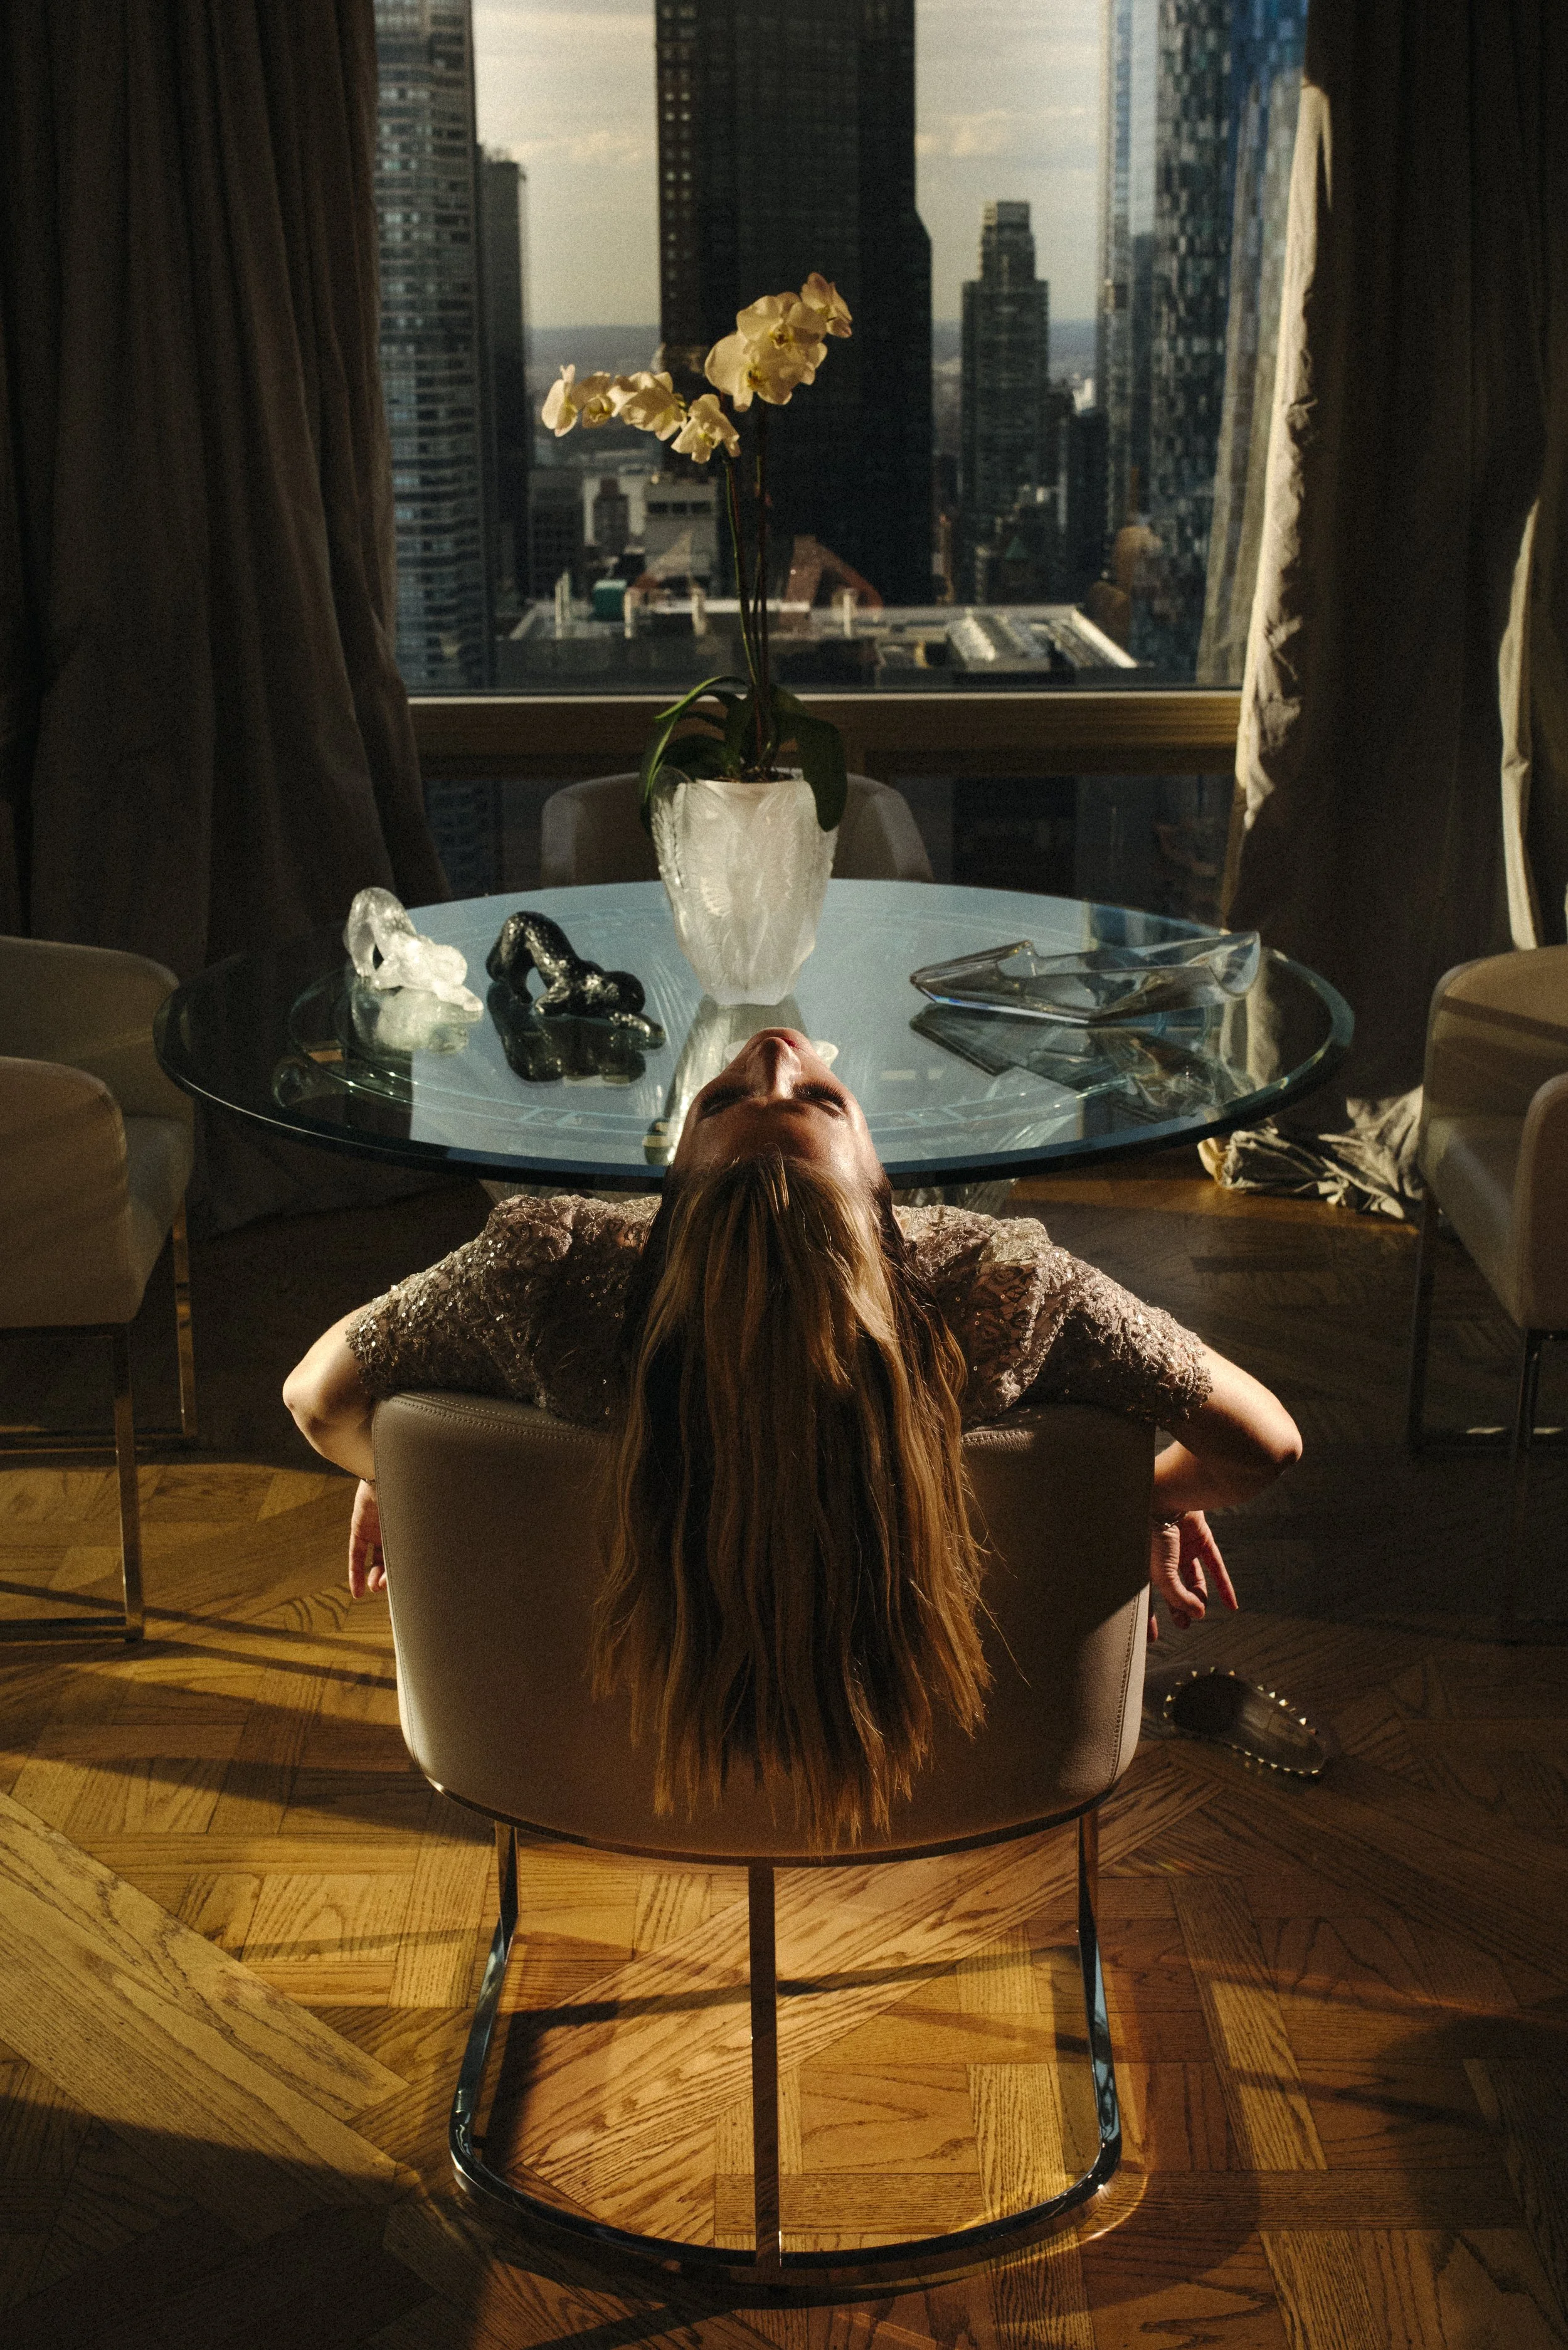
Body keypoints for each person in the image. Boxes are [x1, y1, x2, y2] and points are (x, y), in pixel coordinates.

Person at [285, 1028, 1300, 1842]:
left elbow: (316, 1399)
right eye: (810, 1096)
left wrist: (411, 1466)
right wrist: (1147, 1494)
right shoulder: (1000, 1287)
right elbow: (1264, 1444)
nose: (774, 1052)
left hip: (568, 1768)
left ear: (668, 1207)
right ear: (889, 1205)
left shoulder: (549, 1272)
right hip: (973, 1775)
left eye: (733, 1099)